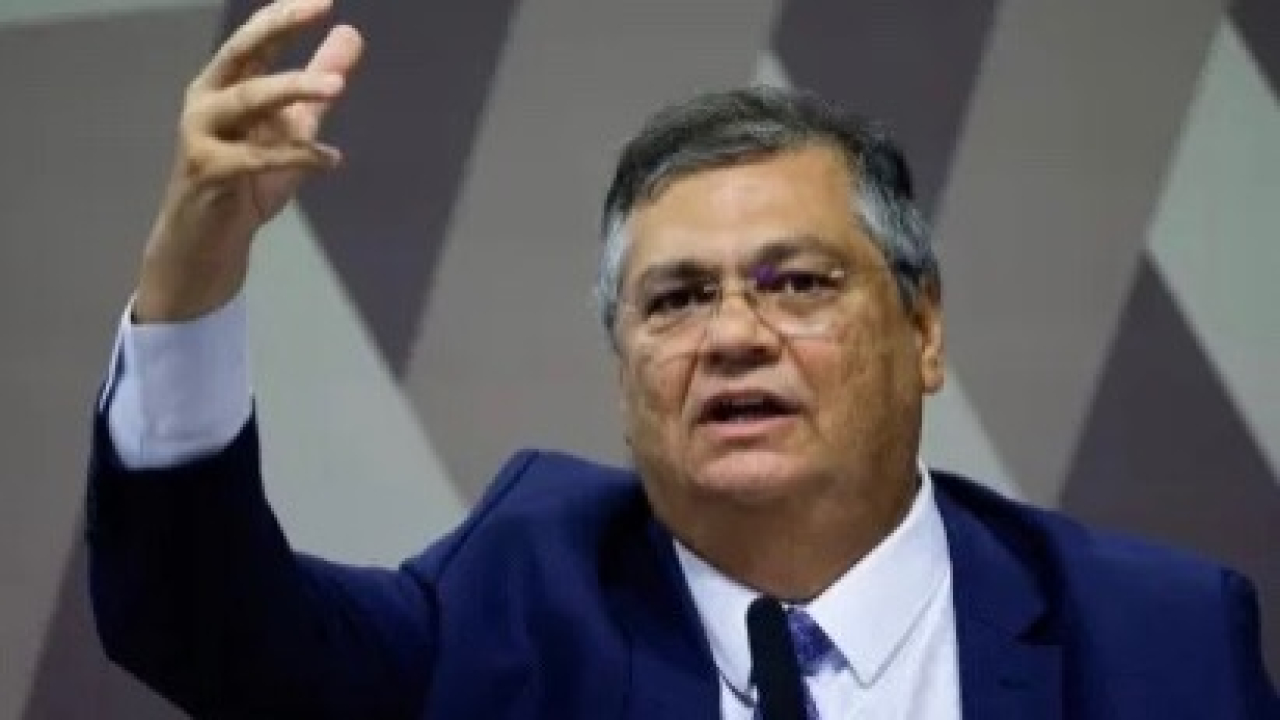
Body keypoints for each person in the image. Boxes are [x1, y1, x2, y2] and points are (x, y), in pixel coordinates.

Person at [86, 1, 1278, 717]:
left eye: (795, 283)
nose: (732, 335)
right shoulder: (517, 602)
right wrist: (194, 274)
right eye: (675, 299)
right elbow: (202, 622)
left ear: (922, 329)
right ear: (623, 369)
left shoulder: (1151, 638)